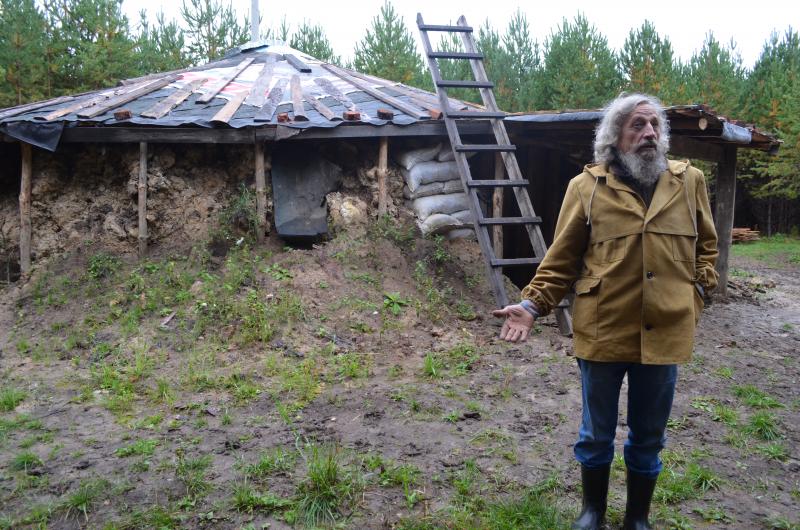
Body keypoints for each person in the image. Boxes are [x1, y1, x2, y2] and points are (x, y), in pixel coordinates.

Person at [492, 93, 718, 530]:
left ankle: (637, 518)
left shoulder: (689, 182)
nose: (649, 132)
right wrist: (532, 304)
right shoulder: (586, 187)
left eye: (654, 125)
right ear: (615, 136)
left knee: (649, 434)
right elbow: (562, 259)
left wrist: (697, 292)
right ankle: (592, 511)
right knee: (596, 432)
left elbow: (707, 247)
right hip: (603, 327)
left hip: (667, 327)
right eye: (638, 125)